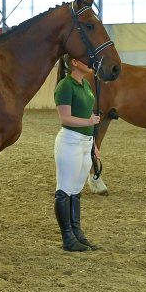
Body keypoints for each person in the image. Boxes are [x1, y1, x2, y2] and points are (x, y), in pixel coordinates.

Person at [53, 56, 102, 252]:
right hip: (70, 141)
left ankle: (76, 233)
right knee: (64, 189)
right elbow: (65, 118)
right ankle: (67, 237)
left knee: (76, 189)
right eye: (85, 60)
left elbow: (86, 115)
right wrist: (89, 123)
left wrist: (94, 145)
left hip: (85, 142)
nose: (90, 63)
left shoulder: (86, 86)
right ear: (74, 62)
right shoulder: (65, 86)